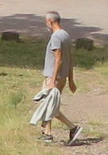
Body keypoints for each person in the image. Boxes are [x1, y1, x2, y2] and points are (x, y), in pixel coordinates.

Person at [31, 11, 85, 145]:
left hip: (53, 77)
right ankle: (47, 133)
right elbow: (69, 58)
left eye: (46, 22)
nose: (46, 24)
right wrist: (70, 79)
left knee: (49, 105)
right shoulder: (65, 35)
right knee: (49, 105)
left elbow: (58, 59)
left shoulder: (56, 37)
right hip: (62, 76)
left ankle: (72, 127)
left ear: (50, 21)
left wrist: (52, 80)